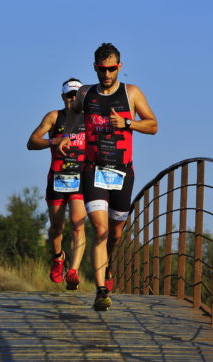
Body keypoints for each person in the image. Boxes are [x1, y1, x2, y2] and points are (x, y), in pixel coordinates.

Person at [59, 43, 158, 311]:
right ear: (95, 68)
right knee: (100, 230)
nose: (107, 74)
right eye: (102, 69)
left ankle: (108, 262)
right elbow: (73, 113)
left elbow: (153, 125)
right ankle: (101, 290)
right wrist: (68, 135)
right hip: (93, 169)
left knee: (114, 233)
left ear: (120, 67)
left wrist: (127, 123)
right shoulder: (85, 93)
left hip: (123, 172)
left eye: (112, 69)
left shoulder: (131, 93)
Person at [27, 78, 87, 290]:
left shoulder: (90, 118)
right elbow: (32, 142)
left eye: (77, 95)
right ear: (63, 97)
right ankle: (58, 257)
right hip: (58, 178)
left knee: (78, 224)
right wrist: (53, 141)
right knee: (56, 227)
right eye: (70, 95)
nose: (73, 98)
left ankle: (73, 270)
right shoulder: (54, 116)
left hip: (81, 179)